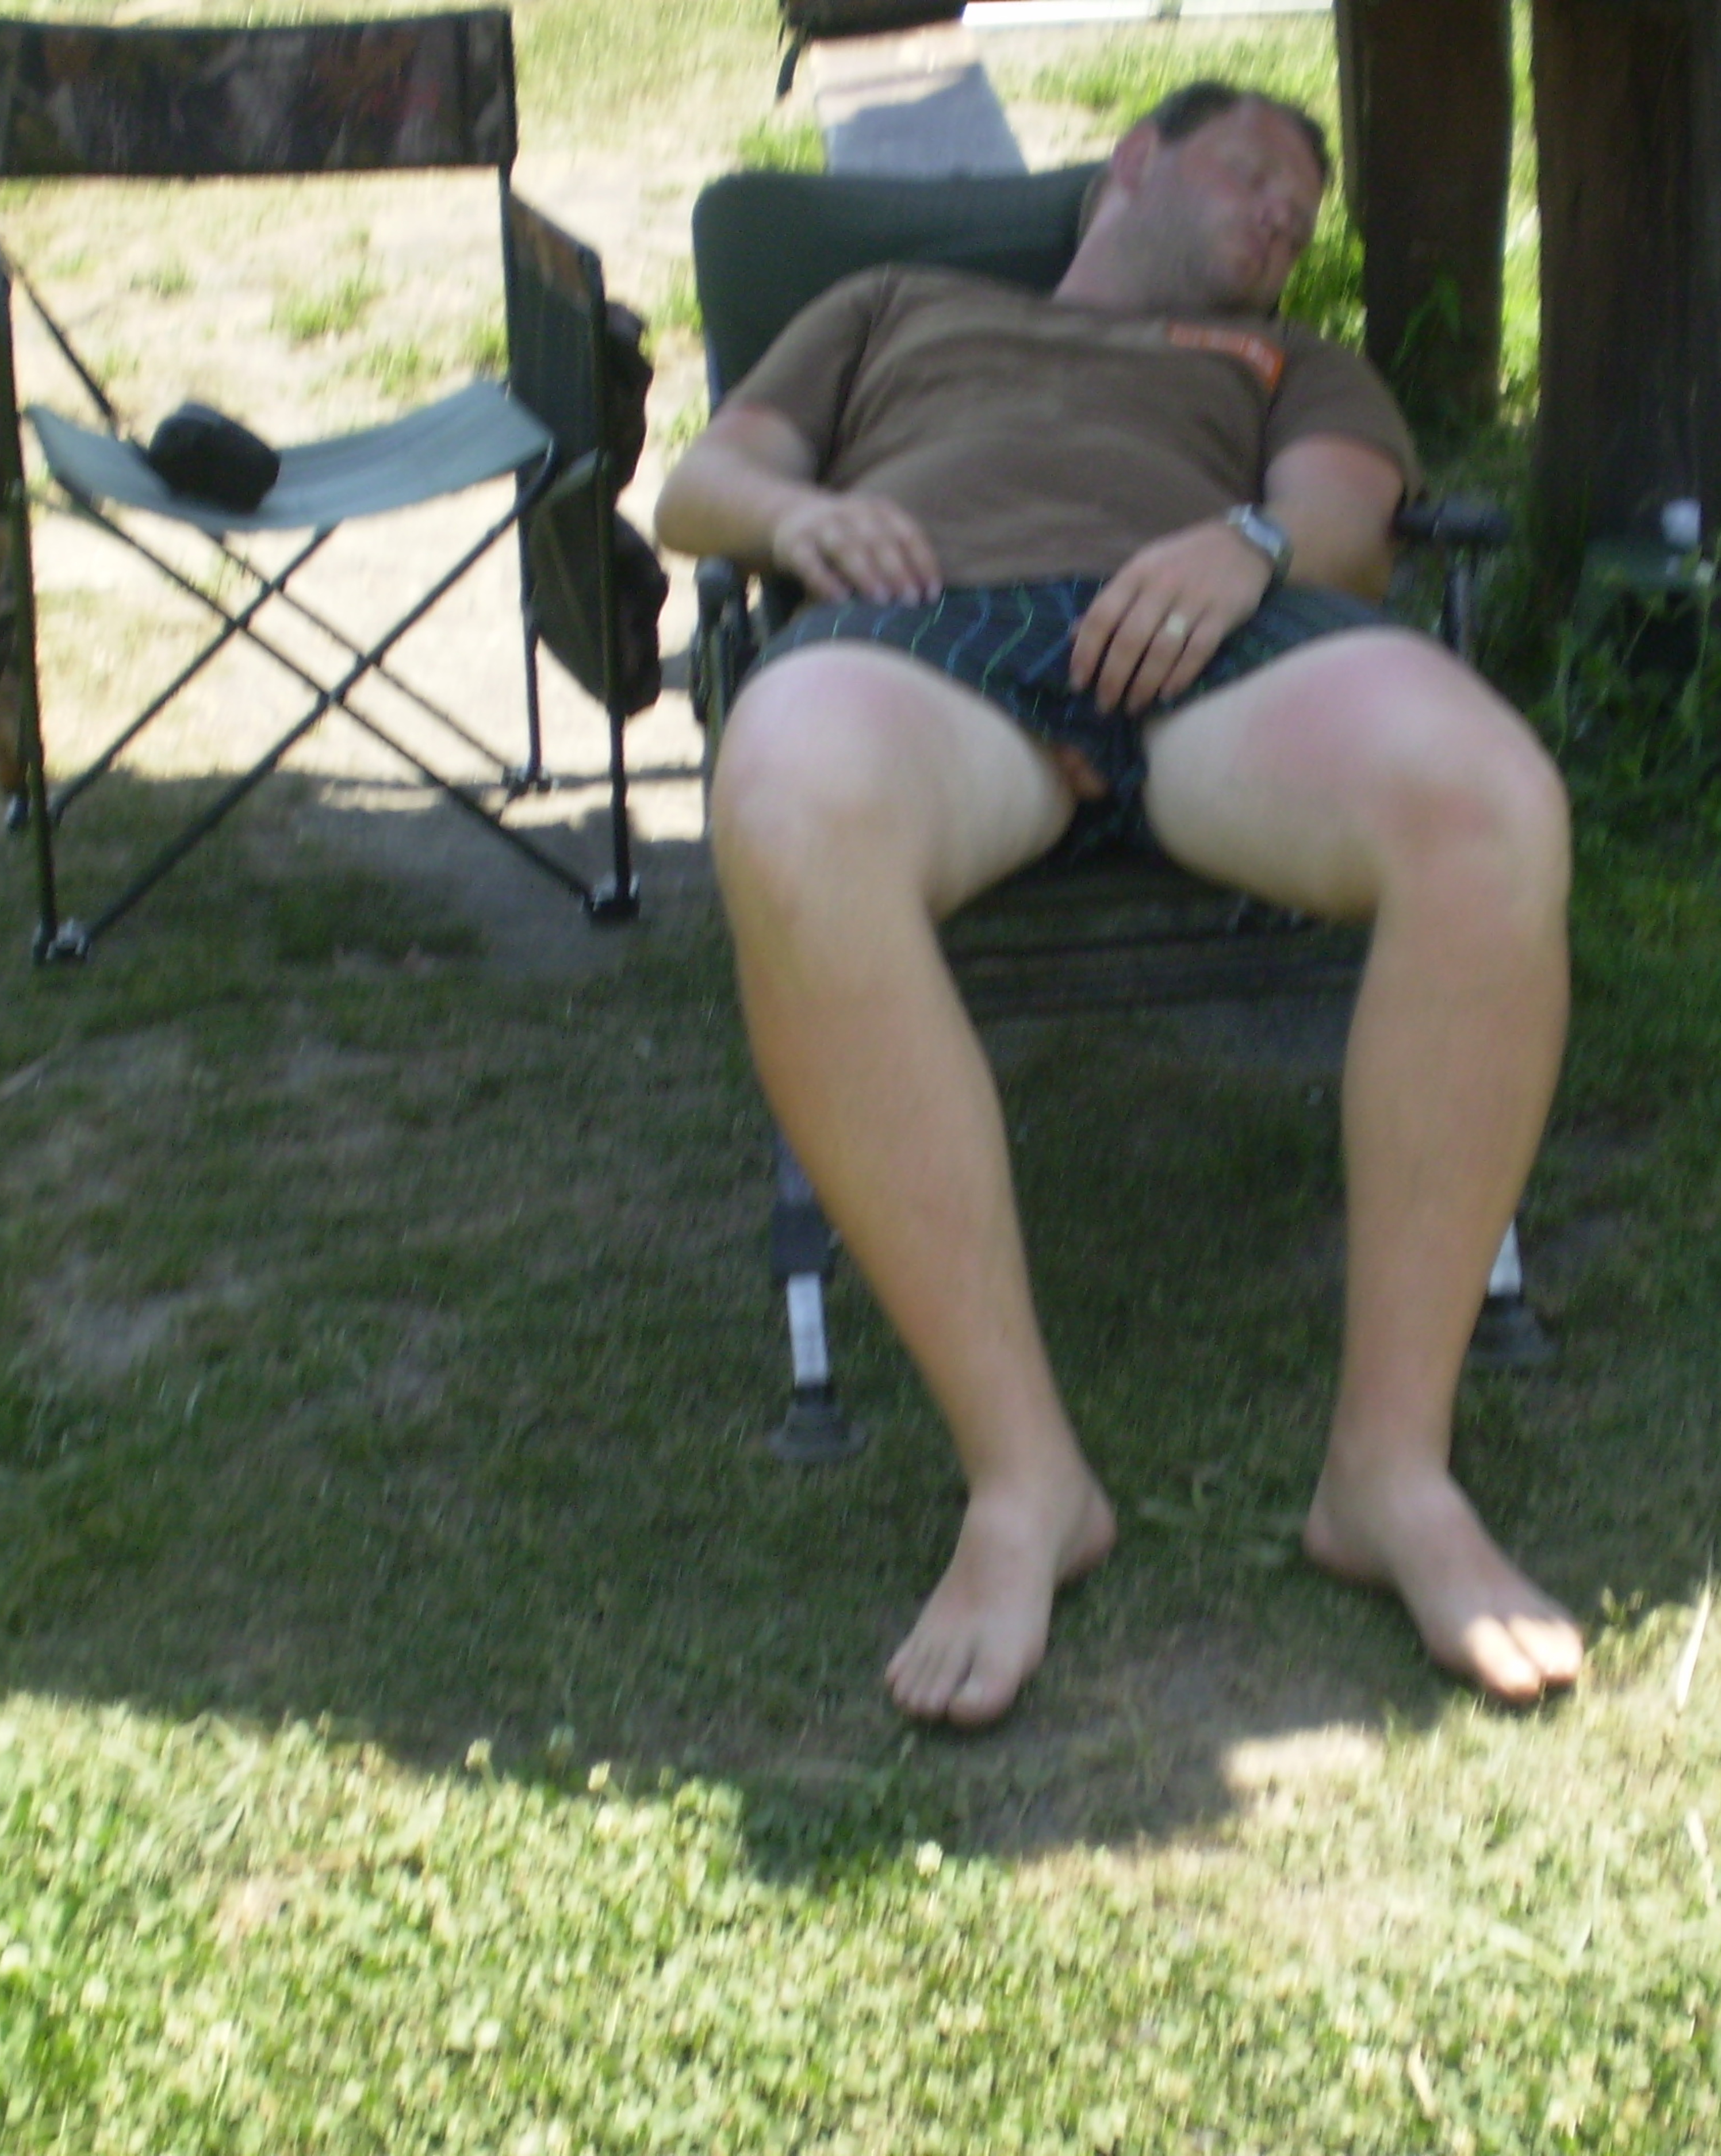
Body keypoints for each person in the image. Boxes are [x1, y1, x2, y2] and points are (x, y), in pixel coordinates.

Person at [653, 81, 1583, 1728]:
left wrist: (1248, 543)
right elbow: (703, 488)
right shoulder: (891, 305)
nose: (1286, 212)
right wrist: (799, 519)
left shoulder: (1293, 360)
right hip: (928, 634)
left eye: (1307, 208)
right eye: (1255, 169)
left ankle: (1392, 1475)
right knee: (789, 799)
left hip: (1225, 641)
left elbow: (1346, 519)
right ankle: (1027, 1486)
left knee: (1488, 800)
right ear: (1133, 160)